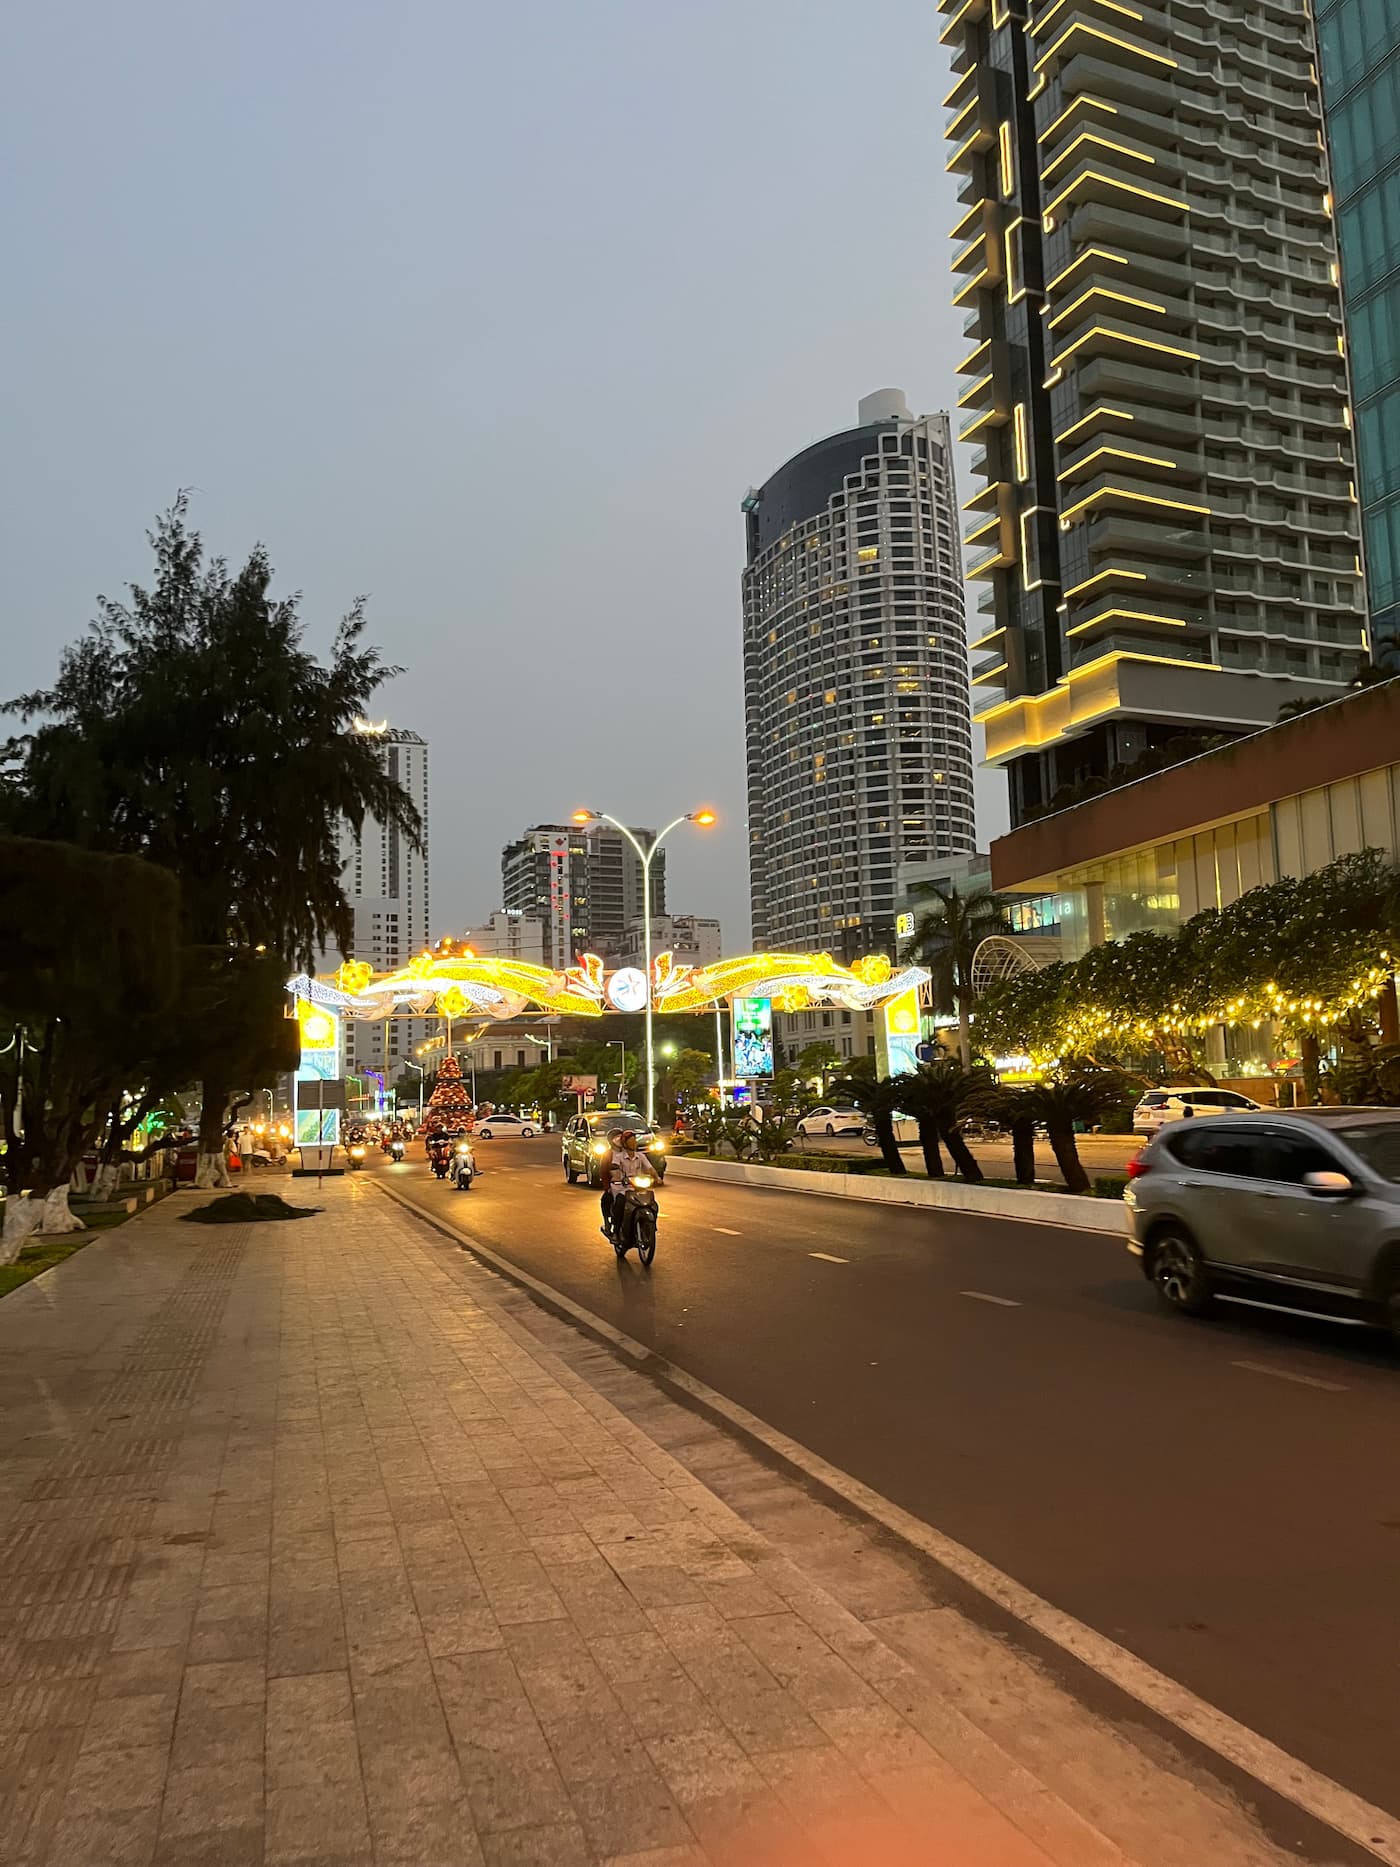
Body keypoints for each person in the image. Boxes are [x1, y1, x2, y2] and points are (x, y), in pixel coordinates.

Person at [599, 1129, 653, 1239]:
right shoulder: (610, 1155)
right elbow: (605, 1172)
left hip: (635, 1186)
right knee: (609, 1200)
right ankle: (612, 1227)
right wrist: (608, 1186)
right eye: (616, 1138)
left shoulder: (636, 1154)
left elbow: (649, 1168)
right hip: (618, 1186)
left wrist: (655, 1178)